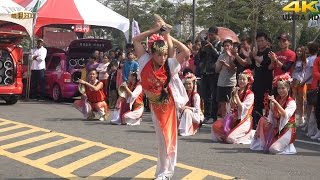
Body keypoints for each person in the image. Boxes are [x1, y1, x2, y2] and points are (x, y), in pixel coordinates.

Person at [133, 19, 190, 179]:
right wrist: (154, 30)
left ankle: (165, 173)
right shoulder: (144, 61)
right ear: (152, 53)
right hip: (154, 106)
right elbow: (135, 40)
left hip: (167, 107)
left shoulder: (169, 65)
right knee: (162, 141)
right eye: (159, 55)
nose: (163, 58)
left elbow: (186, 52)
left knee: (167, 139)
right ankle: (163, 172)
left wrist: (168, 35)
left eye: (165, 54)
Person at [250, 73, 297, 154]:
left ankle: (288, 146)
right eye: (279, 88)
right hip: (277, 126)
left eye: (283, 88)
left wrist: (275, 103)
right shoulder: (277, 99)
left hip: (288, 128)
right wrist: (272, 107)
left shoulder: (291, 102)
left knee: (273, 149)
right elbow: (272, 115)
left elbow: (285, 115)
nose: (280, 90)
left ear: (288, 88)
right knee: (262, 120)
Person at [211, 69, 254, 144]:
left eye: (244, 79)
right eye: (240, 79)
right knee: (214, 128)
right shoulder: (236, 91)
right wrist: (233, 96)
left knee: (230, 139)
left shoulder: (250, 94)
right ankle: (231, 133)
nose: (241, 81)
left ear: (248, 81)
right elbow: (231, 107)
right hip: (234, 118)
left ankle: (250, 134)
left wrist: (236, 96)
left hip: (244, 119)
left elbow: (242, 108)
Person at [199, 26, 223, 123]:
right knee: (206, 95)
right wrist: (202, 49)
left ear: (217, 35)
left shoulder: (220, 44)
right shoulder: (206, 44)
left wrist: (211, 47)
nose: (210, 36)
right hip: (205, 72)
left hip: (214, 72)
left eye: (212, 35)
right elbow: (200, 57)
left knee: (214, 96)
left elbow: (219, 56)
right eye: (209, 34)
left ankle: (213, 116)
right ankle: (207, 115)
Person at [251, 32, 273, 130]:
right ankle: (257, 124)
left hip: (266, 82)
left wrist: (255, 57)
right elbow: (251, 66)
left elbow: (266, 65)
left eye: (262, 41)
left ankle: (267, 125)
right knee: (256, 104)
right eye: (258, 41)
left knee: (266, 104)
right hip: (257, 82)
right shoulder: (256, 52)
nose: (260, 43)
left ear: (266, 41)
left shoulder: (269, 52)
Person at [215, 39, 237, 119]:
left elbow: (233, 70)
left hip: (230, 83)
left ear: (231, 46)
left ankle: (231, 120)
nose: (226, 47)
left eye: (228, 46)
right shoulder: (221, 55)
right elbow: (217, 70)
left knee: (231, 103)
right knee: (222, 103)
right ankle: (224, 120)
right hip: (221, 82)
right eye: (224, 46)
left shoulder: (234, 56)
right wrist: (220, 65)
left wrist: (226, 63)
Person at [291, 46, 307, 127]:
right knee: (294, 100)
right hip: (294, 82)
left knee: (301, 100)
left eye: (300, 51)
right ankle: (293, 118)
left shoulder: (305, 61)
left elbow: (305, 73)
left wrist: (303, 81)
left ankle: (302, 117)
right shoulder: (294, 61)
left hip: (301, 83)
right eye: (297, 51)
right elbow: (292, 72)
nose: (299, 52)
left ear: (303, 52)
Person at [310, 56, 320, 140]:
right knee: (317, 111)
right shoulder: (318, 59)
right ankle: (318, 131)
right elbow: (315, 72)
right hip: (317, 88)